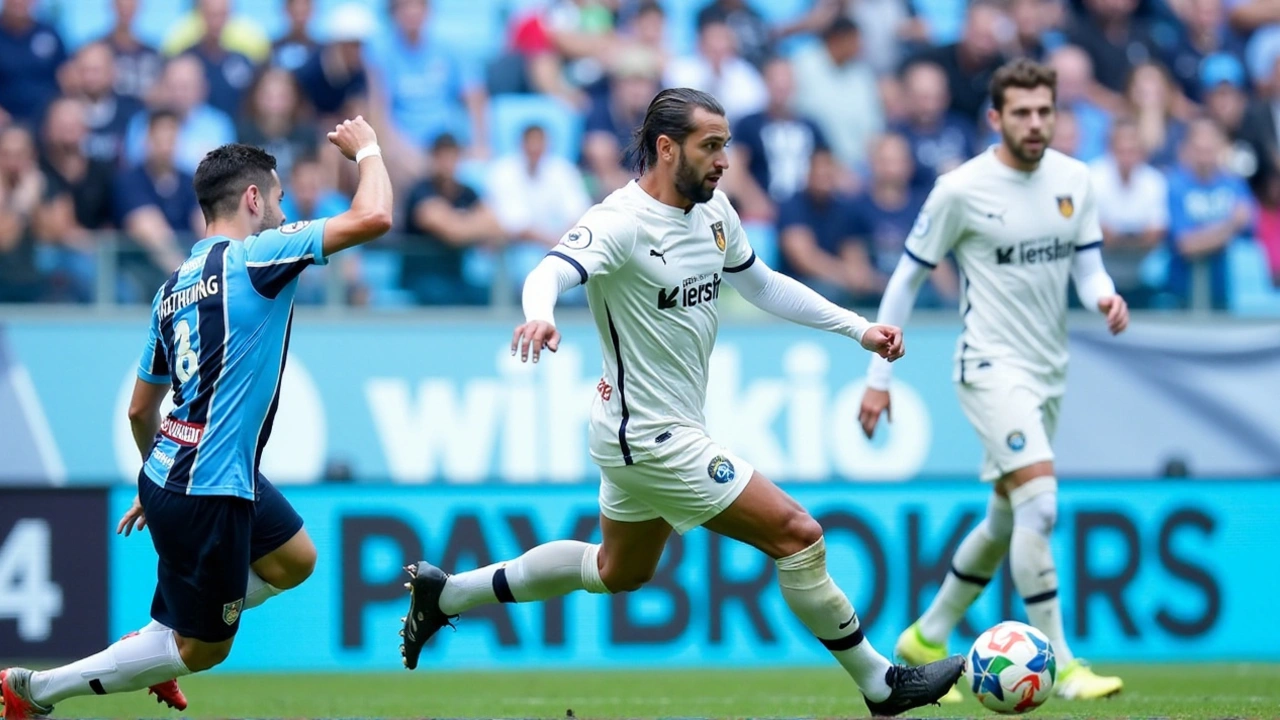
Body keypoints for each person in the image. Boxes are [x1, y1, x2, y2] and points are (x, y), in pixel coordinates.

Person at [397, 88, 965, 717]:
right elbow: (548, 271)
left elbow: (765, 285)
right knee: (798, 535)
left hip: (645, 430)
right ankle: (881, 684)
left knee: (618, 571)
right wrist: (539, 316)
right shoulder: (620, 222)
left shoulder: (717, 211)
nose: (725, 160)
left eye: (725, 145)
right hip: (649, 437)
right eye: (711, 146)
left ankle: (446, 595)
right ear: (666, 148)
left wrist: (857, 329)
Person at [0, 116, 393, 720]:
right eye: (281, 200)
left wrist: (157, 476)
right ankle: (36, 689)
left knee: (296, 559)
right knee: (202, 651)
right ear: (253, 199)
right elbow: (375, 217)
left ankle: (159, 644)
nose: (287, 216)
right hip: (209, 485)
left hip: (182, 469)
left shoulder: (172, 285)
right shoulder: (257, 257)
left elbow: (140, 408)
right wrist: (366, 150)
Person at [857, 59, 1129, 703]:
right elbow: (907, 277)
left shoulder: (1075, 180)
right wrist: (878, 376)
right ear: (995, 118)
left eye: (1045, 111)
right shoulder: (961, 189)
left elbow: (1088, 267)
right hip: (987, 366)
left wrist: (1105, 297)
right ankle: (1061, 665)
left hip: (1048, 372)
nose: (1035, 123)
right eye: (1022, 112)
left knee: (1008, 521)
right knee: (1041, 504)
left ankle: (927, 635)